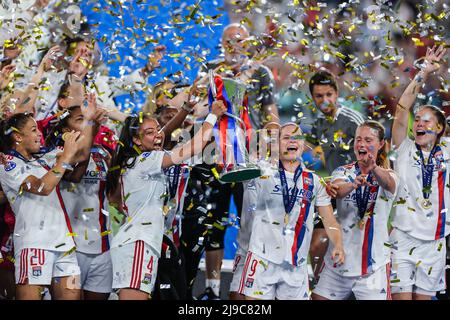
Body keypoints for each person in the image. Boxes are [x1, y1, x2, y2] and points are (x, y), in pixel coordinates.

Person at [183, 22, 279, 300]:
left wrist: (271, 141)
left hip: (248, 156)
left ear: (247, 43)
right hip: (212, 155)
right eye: (229, 42)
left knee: (252, 221)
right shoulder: (210, 69)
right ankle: (212, 290)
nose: (234, 47)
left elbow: (269, 110)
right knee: (212, 222)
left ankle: (251, 284)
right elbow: (196, 103)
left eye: (239, 41)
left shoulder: (260, 72)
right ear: (222, 44)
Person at [105, 98, 227, 300]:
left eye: (158, 130)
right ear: (136, 140)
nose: (158, 135)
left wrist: (186, 110)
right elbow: (195, 146)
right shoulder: (146, 160)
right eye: (149, 133)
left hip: (141, 242)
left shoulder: (133, 162)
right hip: (138, 244)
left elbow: (117, 200)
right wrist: (213, 115)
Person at [0, 105, 97, 299]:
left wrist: (90, 121)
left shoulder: (45, 157)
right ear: (18, 136)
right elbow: (41, 188)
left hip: (65, 246)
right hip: (33, 244)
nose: (39, 135)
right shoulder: (8, 164)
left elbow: (82, 154)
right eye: (33, 130)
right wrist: (66, 156)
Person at [239, 123, 345, 300]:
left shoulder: (315, 182)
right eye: (286, 137)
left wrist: (338, 244)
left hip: (296, 265)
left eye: (297, 137)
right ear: (277, 144)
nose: (292, 141)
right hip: (261, 260)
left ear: (303, 145)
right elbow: (240, 160)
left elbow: (329, 220)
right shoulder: (260, 172)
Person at [312, 120, 398, 300]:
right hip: (338, 263)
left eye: (368, 140)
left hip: (373, 268)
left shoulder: (390, 174)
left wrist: (373, 167)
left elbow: (388, 184)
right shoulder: (343, 171)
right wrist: (352, 185)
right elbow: (337, 189)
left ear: (381, 144)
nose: (361, 144)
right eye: (358, 139)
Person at [390, 45, 448, 300]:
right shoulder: (404, 146)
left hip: (435, 241)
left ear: (440, 128)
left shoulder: (447, 150)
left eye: (427, 120)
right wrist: (424, 72)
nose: (420, 123)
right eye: (419, 119)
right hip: (402, 238)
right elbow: (402, 109)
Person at [45, 103, 113, 300]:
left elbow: (115, 193)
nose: (86, 122)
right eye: (80, 119)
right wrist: (92, 126)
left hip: (102, 246)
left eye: (87, 118)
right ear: (66, 130)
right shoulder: (57, 153)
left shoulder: (103, 153)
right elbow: (75, 176)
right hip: (69, 247)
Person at [307, 70, 365, 284]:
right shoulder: (318, 125)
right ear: (313, 98)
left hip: (358, 190)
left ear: (337, 93)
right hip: (331, 192)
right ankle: (320, 287)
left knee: (355, 248)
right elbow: (315, 160)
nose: (325, 100)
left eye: (329, 94)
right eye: (319, 96)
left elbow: (375, 155)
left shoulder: (352, 120)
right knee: (317, 245)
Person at [228, 121, 280, 300]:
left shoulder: (292, 172)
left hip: (274, 250)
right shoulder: (249, 166)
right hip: (246, 245)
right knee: (236, 294)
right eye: (264, 137)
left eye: (274, 139)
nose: (268, 143)